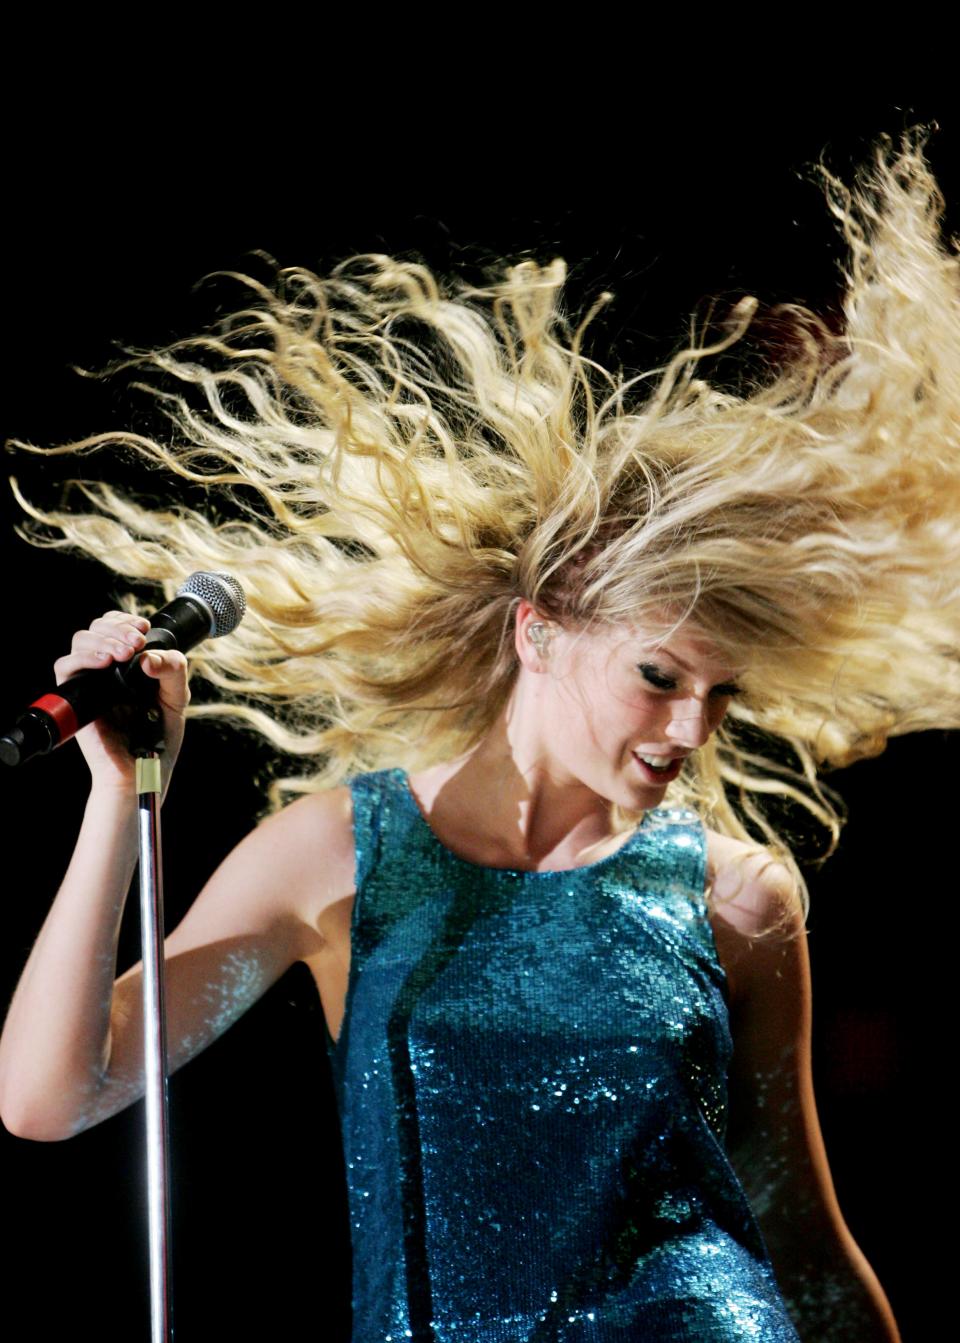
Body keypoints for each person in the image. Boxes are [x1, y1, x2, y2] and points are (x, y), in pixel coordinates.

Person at [2, 127, 957, 1341]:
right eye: (659, 675)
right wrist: (116, 793)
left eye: (723, 697)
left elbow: (806, 1242)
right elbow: (51, 1093)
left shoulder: (739, 899)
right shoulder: (338, 854)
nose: (689, 727)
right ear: (538, 633)